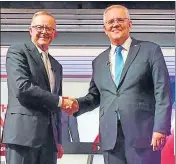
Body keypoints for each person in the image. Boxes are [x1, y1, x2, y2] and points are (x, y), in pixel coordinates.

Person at [65, 5, 172, 164]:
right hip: (110, 139)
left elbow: (163, 92)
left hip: (144, 135)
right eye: (110, 21)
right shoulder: (99, 61)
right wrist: (77, 105)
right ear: (105, 28)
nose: (115, 24)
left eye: (120, 20)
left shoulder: (150, 50)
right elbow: (95, 96)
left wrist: (160, 128)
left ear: (130, 24)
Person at [1, 11, 76, 164]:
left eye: (49, 28)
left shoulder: (57, 65)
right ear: (31, 31)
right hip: (22, 136)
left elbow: (54, 108)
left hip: (49, 142)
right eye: (39, 27)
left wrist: (58, 140)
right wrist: (61, 101)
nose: (44, 31)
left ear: (54, 34)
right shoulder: (17, 51)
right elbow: (22, 88)